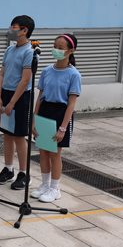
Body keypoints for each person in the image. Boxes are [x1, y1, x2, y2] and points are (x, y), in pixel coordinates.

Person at [31, 34, 81, 203]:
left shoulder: (74, 74)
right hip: (45, 111)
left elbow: (71, 104)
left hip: (61, 114)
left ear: (71, 51)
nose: (56, 50)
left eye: (60, 47)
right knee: (43, 151)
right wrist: (34, 119)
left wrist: (63, 128)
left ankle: (55, 188)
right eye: (54, 46)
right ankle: (45, 185)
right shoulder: (47, 71)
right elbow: (40, 97)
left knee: (55, 153)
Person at [0, 15, 36, 190]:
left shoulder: (29, 52)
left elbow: (25, 80)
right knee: (7, 134)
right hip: (6, 93)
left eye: (14, 27)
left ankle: (24, 173)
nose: (11, 30)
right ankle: (8, 168)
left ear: (24, 30)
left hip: (21, 97)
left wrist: (12, 103)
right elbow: (1, 74)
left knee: (19, 136)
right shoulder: (9, 50)